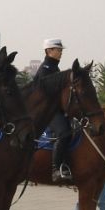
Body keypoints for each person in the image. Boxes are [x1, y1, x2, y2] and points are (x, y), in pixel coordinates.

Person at [34, 39, 73, 182]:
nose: (60, 52)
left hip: (58, 109)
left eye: (61, 50)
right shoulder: (45, 70)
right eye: (58, 49)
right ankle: (56, 169)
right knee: (64, 133)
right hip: (48, 111)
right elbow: (47, 96)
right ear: (48, 51)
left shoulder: (54, 69)